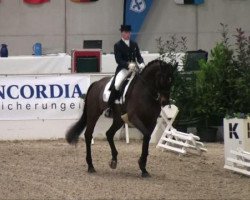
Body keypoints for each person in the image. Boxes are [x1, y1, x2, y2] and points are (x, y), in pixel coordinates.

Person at [108, 24, 145, 107]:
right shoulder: (117, 45)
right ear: (122, 33)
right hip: (123, 69)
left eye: (129, 33)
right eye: (126, 32)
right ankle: (111, 105)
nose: (128, 34)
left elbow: (138, 56)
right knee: (117, 84)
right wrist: (128, 64)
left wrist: (142, 63)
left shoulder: (134, 44)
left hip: (135, 68)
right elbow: (118, 60)